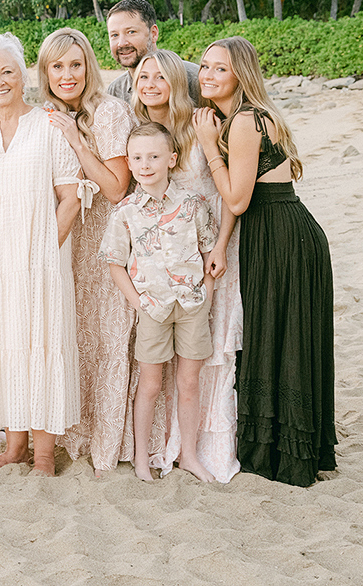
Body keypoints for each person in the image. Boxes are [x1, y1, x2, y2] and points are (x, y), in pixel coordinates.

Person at [194, 36, 336, 487]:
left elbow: (236, 199)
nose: (208, 75)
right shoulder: (249, 116)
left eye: (220, 68)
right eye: (205, 66)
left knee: (280, 337)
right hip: (286, 230)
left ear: (242, 74)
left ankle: (281, 455)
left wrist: (206, 145)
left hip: (281, 236)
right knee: (284, 336)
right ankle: (290, 449)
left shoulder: (243, 122)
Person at [0, 33, 82, 476]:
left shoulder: (49, 127)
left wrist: (44, 251)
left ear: (23, 74)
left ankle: (43, 454)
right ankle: (13, 446)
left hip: (41, 264)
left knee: (38, 343)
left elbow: (71, 197)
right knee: (1, 345)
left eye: (7, 71)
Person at [131, 50, 240, 483]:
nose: (151, 83)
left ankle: (195, 450)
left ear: (177, 81)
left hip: (207, 251)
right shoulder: (141, 132)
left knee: (202, 361)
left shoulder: (201, 123)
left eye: (160, 76)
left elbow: (228, 192)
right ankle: (152, 448)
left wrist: (221, 245)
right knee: (154, 370)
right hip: (158, 267)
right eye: (143, 75)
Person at [38, 27, 136, 476]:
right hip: (65, 239)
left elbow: (117, 189)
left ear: (89, 66)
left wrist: (78, 140)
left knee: (108, 337)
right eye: (57, 66)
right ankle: (75, 430)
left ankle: (108, 438)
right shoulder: (44, 115)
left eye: (75, 64)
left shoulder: (110, 113)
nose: (67, 74)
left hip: (105, 238)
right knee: (74, 336)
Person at [100, 122, 219, 483]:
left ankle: (190, 456)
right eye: (137, 157)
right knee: (150, 384)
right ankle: (140, 458)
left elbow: (210, 249)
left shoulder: (191, 204)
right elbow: (114, 263)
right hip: (152, 308)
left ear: (171, 158)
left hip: (191, 306)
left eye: (153, 156)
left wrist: (206, 294)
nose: (145, 164)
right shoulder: (126, 211)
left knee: (189, 383)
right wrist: (138, 302)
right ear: (130, 163)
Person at [105, 0, 200, 105]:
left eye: (131, 32)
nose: (121, 43)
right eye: (114, 35)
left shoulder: (193, 79)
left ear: (153, 34)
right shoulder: (115, 91)